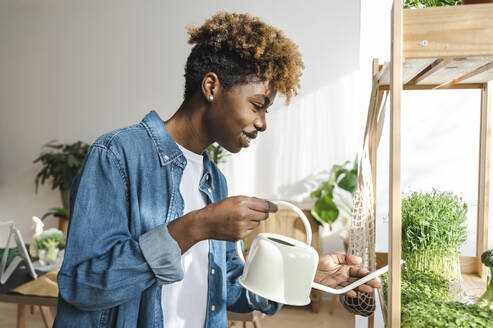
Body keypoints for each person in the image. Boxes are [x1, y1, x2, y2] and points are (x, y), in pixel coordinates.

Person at [53, 12, 380, 328]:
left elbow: (226, 288)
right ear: (211, 87)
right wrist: (195, 228)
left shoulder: (215, 182)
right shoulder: (118, 155)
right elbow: (83, 285)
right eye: (257, 105)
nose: (263, 123)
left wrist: (305, 277)